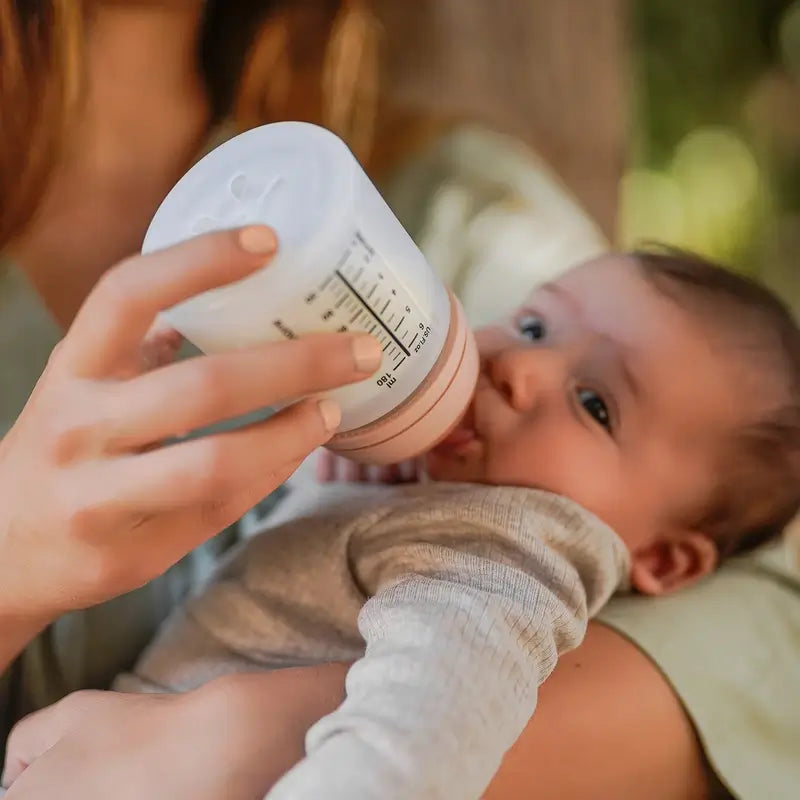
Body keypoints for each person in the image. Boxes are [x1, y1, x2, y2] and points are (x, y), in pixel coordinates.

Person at [0, 2, 798, 799]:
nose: (517, 367)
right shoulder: (407, 492)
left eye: (595, 405)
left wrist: (243, 735)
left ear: (663, 560)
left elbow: (413, 742)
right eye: (528, 322)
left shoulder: (504, 552)